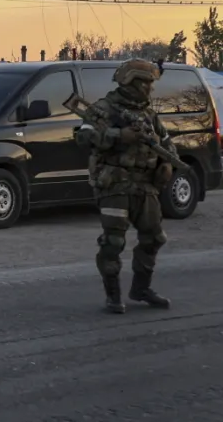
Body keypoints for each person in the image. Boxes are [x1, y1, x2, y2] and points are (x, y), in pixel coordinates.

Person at [73, 59, 179, 314]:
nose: (150, 89)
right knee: (113, 242)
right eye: (147, 84)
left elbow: (168, 143)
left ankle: (141, 289)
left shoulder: (148, 114)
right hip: (115, 184)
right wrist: (119, 136)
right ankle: (113, 296)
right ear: (134, 82)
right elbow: (83, 137)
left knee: (154, 238)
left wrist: (167, 164)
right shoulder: (104, 109)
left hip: (145, 186)